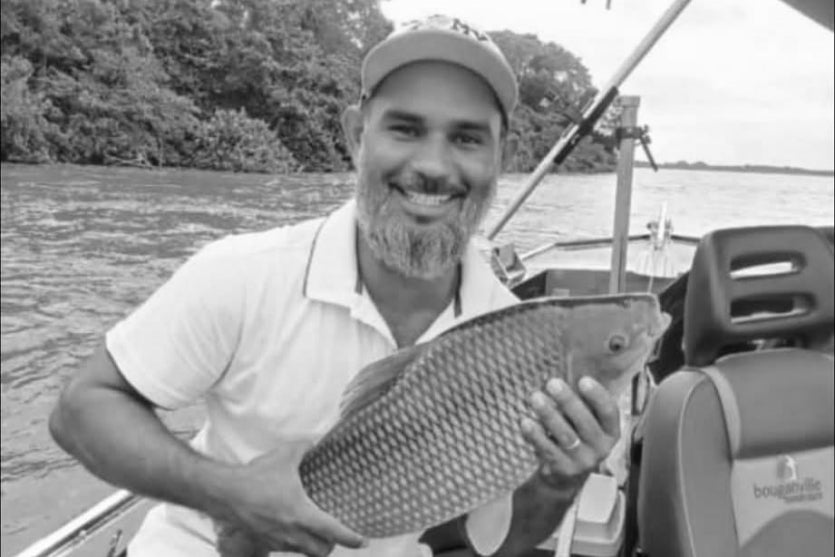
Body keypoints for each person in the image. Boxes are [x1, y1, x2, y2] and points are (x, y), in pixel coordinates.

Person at [49, 14, 623, 557]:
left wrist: (558, 481)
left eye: (467, 138)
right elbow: (81, 408)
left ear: (504, 156)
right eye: (405, 128)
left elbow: (483, 544)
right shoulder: (243, 273)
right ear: (356, 134)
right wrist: (229, 494)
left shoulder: (514, 334)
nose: (433, 165)